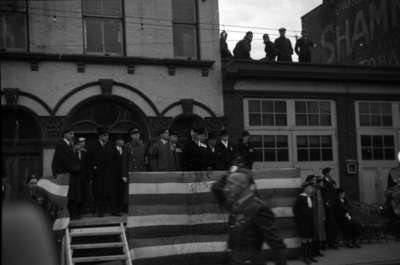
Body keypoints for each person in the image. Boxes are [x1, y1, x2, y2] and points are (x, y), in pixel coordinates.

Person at [212, 168, 287, 265]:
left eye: (231, 184)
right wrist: (230, 172)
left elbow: (277, 244)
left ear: (243, 185)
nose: (227, 188)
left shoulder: (259, 209)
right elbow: (216, 188)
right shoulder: (235, 204)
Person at [87, 126, 116, 217]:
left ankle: (113, 211)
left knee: (110, 192)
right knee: (99, 193)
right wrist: (92, 171)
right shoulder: (92, 145)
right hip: (97, 174)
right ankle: (100, 211)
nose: (107, 137)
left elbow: (115, 159)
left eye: (108, 135)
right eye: (105, 135)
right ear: (100, 136)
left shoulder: (111, 145)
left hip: (109, 173)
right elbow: (89, 160)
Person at [294, 180, 317, 265]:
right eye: (309, 188)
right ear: (305, 189)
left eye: (311, 188)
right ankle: (305, 257)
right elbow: (295, 210)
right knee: (305, 239)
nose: (311, 189)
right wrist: (301, 220)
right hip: (303, 223)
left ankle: (310, 256)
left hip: (310, 221)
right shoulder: (300, 198)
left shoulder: (309, 197)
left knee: (310, 238)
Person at [305, 175, 326, 257]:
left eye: (315, 180)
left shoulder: (318, 189)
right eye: (313, 180)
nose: (314, 181)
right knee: (315, 233)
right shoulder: (310, 189)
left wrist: (323, 214)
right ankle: (313, 251)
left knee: (319, 233)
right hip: (314, 214)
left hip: (319, 214)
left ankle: (317, 250)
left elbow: (321, 203)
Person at [68, 137, 88, 219]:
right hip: (73, 178)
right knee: (74, 196)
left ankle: (80, 212)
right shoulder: (71, 153)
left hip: (82, 178)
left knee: (81, 195)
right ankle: (73, 213)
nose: (80, 146)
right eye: (79, 144)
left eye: (81, 144)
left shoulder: (84, 153)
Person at [320, 167, 338, 249]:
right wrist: (326, 202)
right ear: (326, 173)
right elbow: (323, 193)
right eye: (330, 172)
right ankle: (329, 242)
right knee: (329, 224)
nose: (332, 174)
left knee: (333, 224)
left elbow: (334, 192)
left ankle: (332, 241)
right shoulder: (322, 182)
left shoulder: (332, 181)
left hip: (333, 205)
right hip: (327, 206)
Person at [107, 135, 125, 215]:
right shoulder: (111, 149)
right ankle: (114, 210)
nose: (123, 142)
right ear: (117, 141)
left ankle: (120, 208)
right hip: (113, 175)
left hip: (122, 175)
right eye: (121, 140)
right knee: (114, 193)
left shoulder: (124, 150)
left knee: (120, 192)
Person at [384, 151, 400, 240]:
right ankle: (397, 234)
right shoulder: (393, 172)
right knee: (396, 217)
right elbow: (390, 188)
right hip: (396, 199)